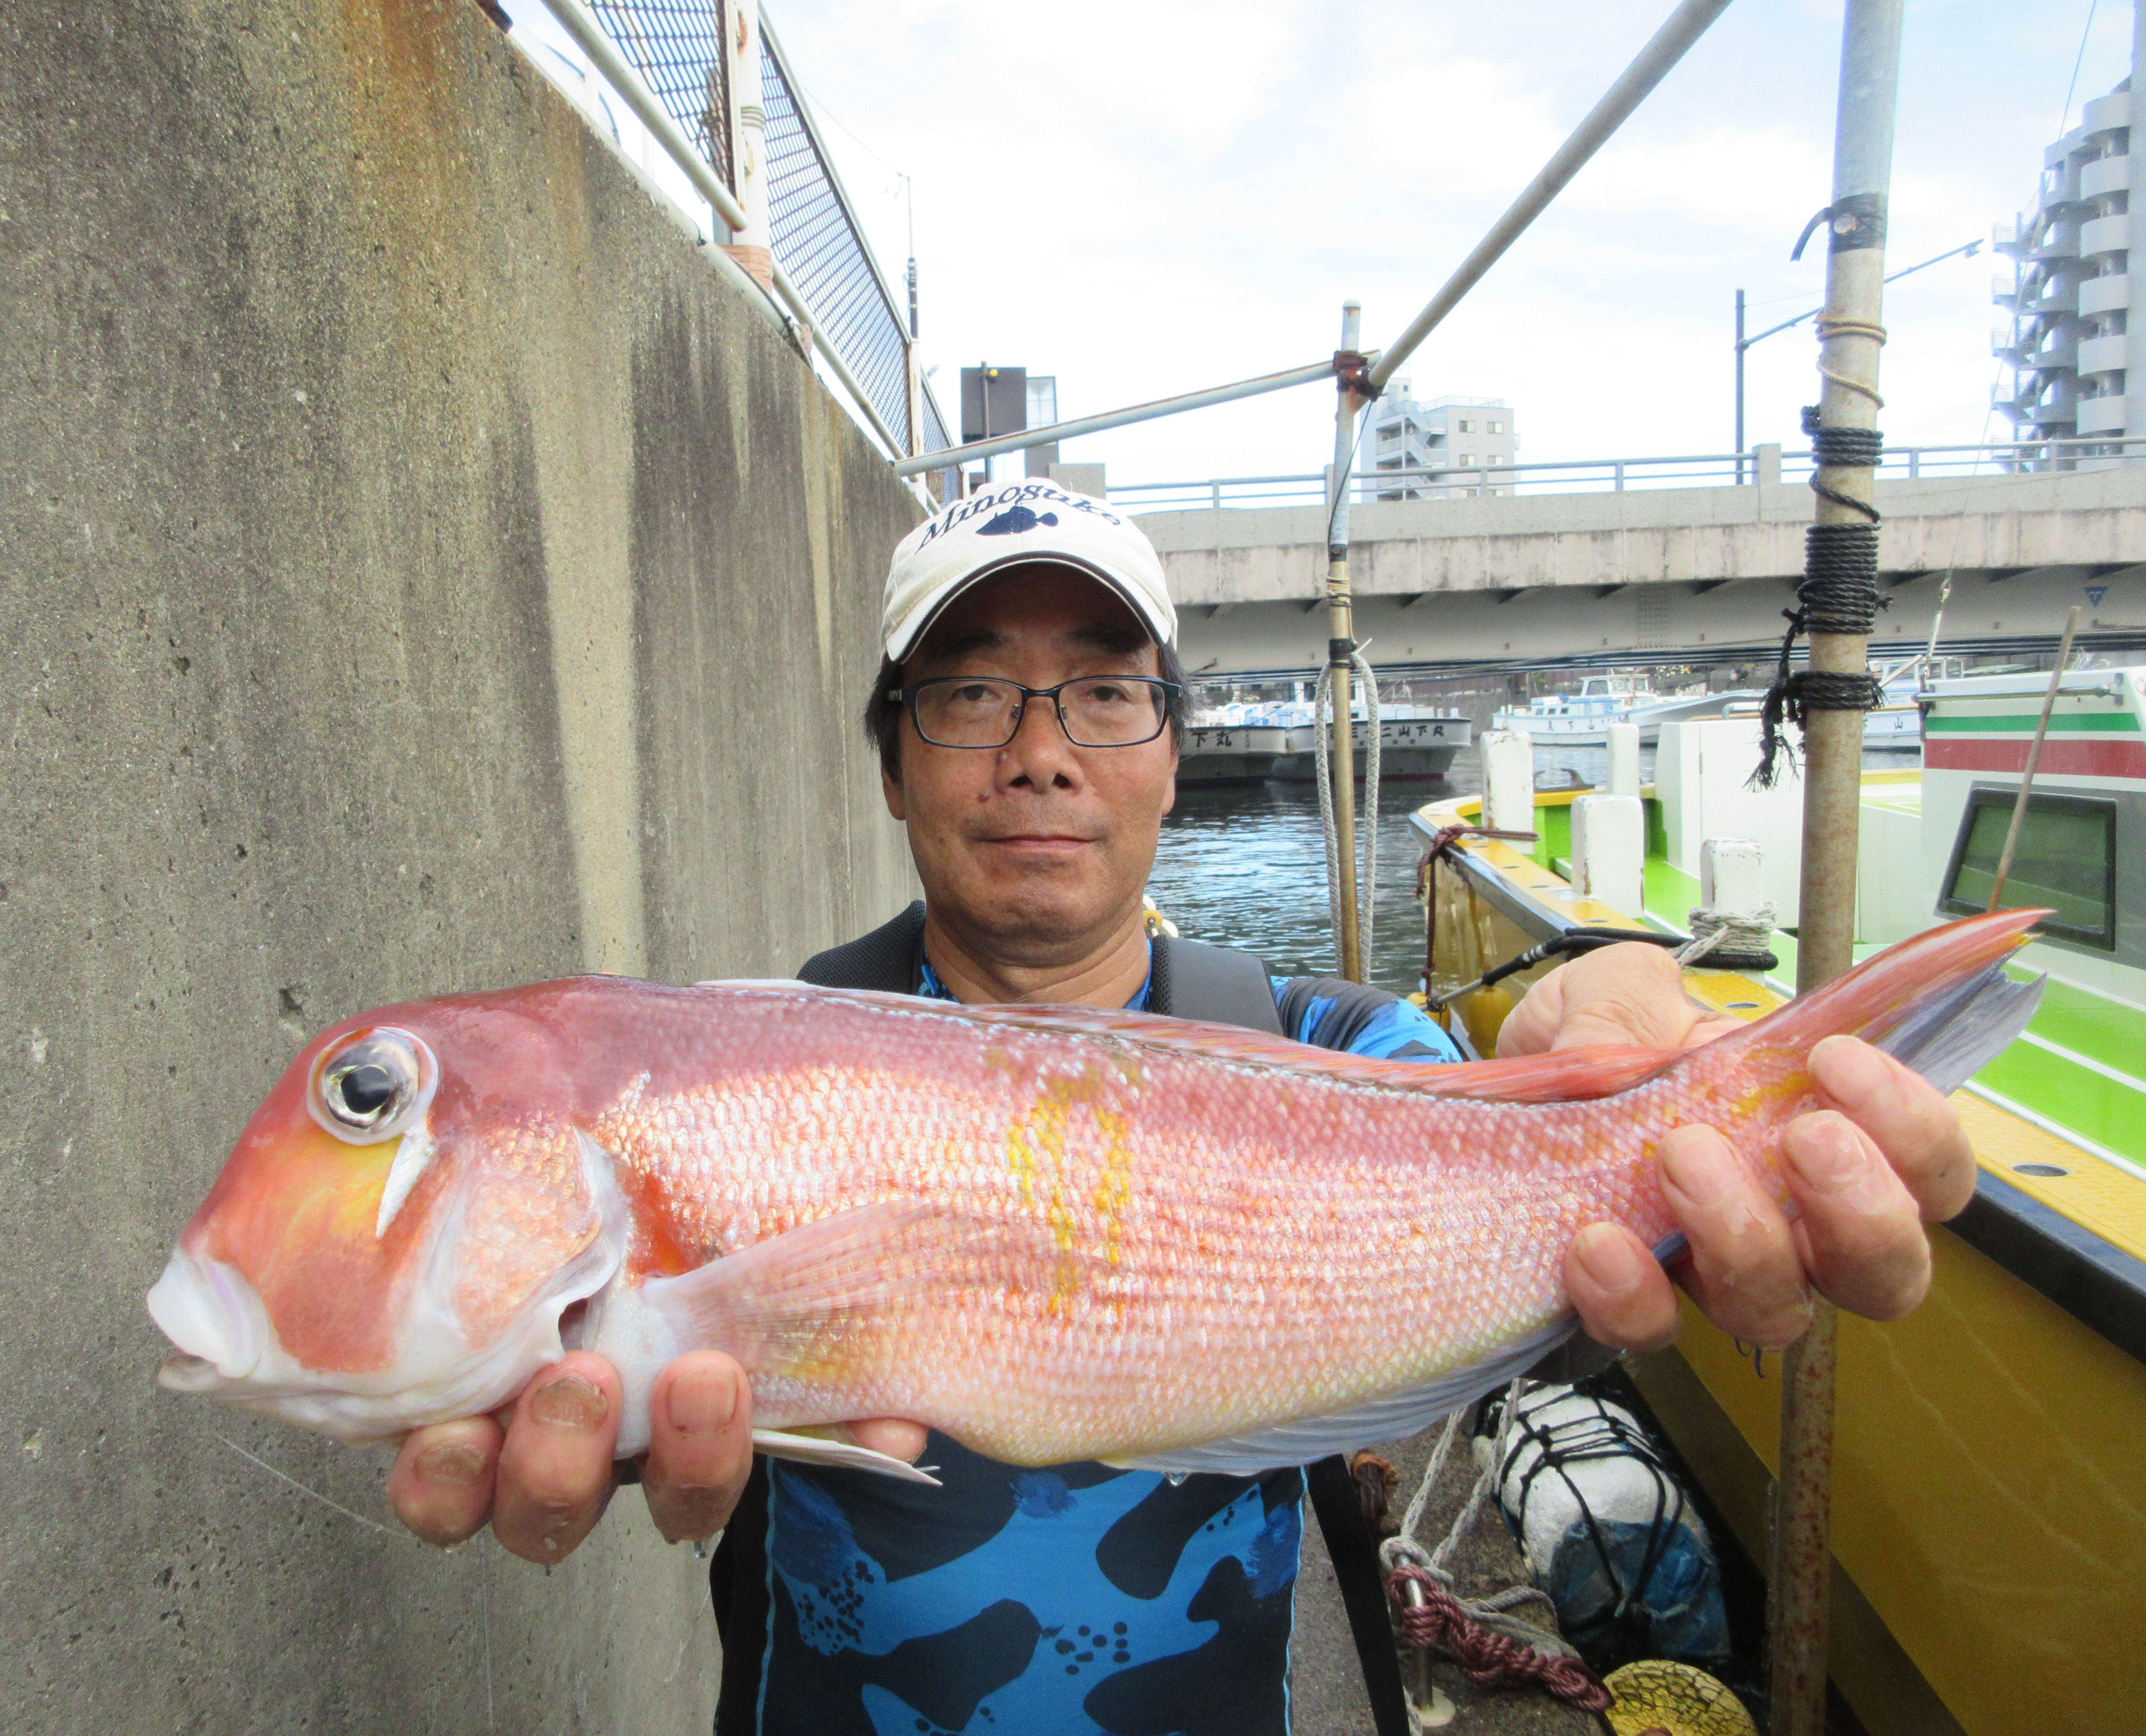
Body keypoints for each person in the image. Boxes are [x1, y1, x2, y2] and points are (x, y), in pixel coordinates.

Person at [387, 483, 1972, 1734]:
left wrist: (1618, 1038)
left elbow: (1498, 1137)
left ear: (1167, 751)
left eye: (1102, 694)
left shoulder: (1316, 1041)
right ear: (890, 765)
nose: (1038, 754)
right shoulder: (773, 1070)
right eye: (969, 695)